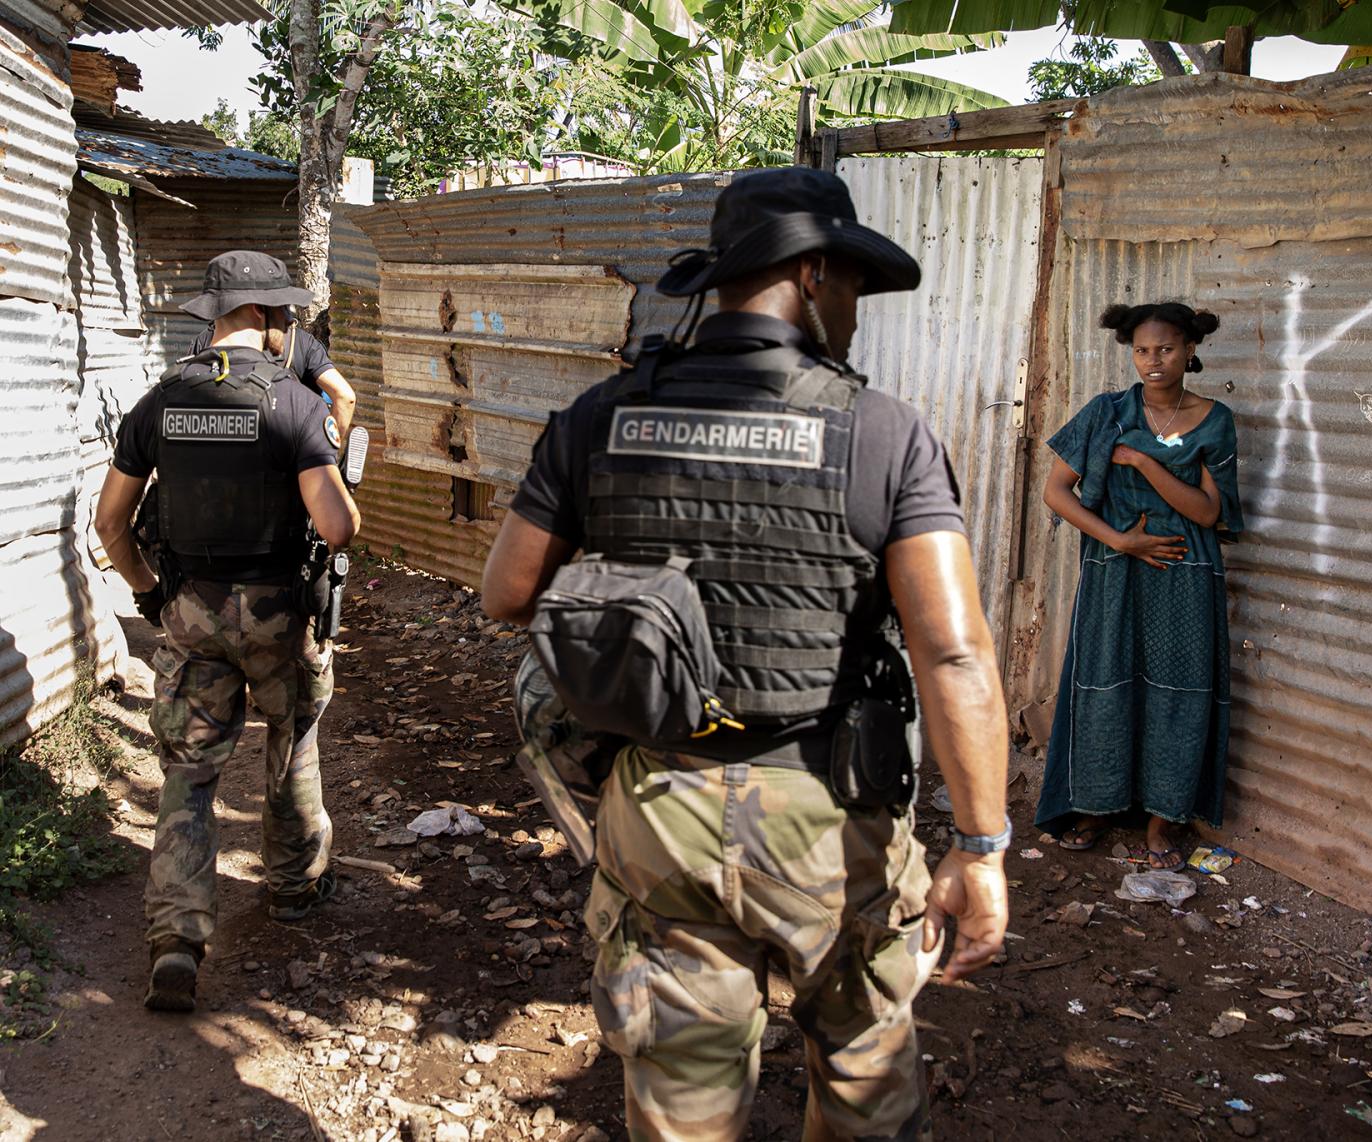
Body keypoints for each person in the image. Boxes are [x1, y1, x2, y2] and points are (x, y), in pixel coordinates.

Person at [481, 167, 1011, 1140]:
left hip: (660, 805)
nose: (852, 306)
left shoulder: (605, 414)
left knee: (680, 1105)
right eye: (848, 279)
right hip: (828, 816)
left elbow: (508, 592)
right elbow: (954, 654)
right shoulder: (880, 432)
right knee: (864, 1078)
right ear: (811, 273)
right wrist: (980, 848)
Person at [93, 250, 362, 1013]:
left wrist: (150, 596)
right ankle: (295, 889)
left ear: (215, 318)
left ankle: (177, 938)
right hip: (279, 614)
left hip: (191, 611)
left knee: (189, 770)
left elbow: (110, 523)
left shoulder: (158, 400)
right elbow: (337, 527)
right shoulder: (294, 403)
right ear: (270, 317)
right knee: (292, 741)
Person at [1034, 302, 1243, 869]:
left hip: (1186, 576)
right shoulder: (1107, 412)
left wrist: (1146, 465)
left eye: (1167, 349)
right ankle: (1098, 807)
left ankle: (1160, 821)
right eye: (1143, 350)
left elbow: (1206, 513)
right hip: (1115, 570)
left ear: (1191, 350)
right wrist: (1122, 541)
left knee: (1179, 694)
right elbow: (1056, 492)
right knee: (1105, 684)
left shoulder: (1215, 419)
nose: (1154, 361)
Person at [187, 296, 356, 441]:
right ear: (259, 310)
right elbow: (345, 397)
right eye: (281, 308)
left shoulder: (206, 341)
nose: (289, 319)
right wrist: (327, 451)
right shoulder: (302, 343)